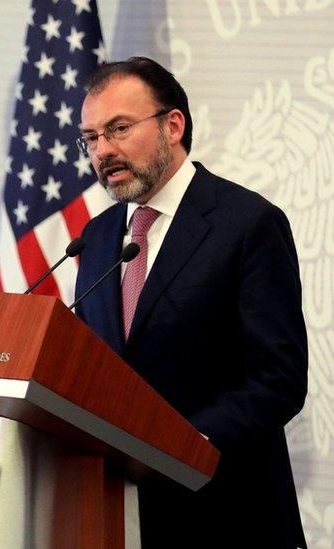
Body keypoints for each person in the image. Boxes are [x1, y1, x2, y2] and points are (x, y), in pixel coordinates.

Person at [74, 57, 307, 547]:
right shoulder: (96, 239)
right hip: (116, 513)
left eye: (118, 129)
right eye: (92, 138)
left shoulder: (246, 224)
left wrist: (177, 442)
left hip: (225, 514)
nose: (103, 152)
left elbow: (278, 381)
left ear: (172, 125)